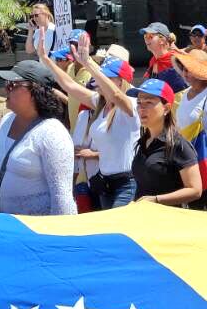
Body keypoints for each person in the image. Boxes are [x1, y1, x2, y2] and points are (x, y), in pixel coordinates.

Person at [40, 31, 138, 210]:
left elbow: (116, 95)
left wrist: (88, 63)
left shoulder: (131, 105)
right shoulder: (99, 102)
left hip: (126, 183)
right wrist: (46, 60)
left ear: (120, 81)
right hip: (104, 181)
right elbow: (70, 85)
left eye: (108, 77)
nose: (99, 80)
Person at [0, 60, 76, 215]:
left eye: (13, 85)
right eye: (6, 83)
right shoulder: (6, 121)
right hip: (5, 225)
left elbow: (62, 198)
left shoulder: (52, 133)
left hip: (34, 231)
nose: (5, 89)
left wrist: (59, 236)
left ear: (35, 91)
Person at [125, 79, 203, 205]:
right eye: (139, 103)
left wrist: (156, 200)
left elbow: (195, 190)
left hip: (169, 220)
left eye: (149, 102)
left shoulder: (179, 145)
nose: (141, 108)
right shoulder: (142, 142)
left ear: (166, 108)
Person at [174, 48, 207, 203]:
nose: (184, 73)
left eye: (188, 69)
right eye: (183, 68)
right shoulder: (184, 95)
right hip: (187, 162)